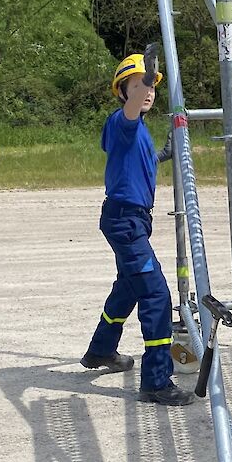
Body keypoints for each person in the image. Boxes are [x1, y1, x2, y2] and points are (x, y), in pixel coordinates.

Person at [81, 52, 193, 406]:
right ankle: (156, 381)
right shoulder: (121, 122)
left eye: (151, 86)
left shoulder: (138, 132)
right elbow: (130, 113)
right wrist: (148, 76)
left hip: (130, 220)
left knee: (128, 287)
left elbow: (137, 161)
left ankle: (101, 351)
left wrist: (163, 154)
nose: (147, 91)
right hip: (125, 221)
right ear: (122, 91)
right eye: (138, 85)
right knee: (156, 296)